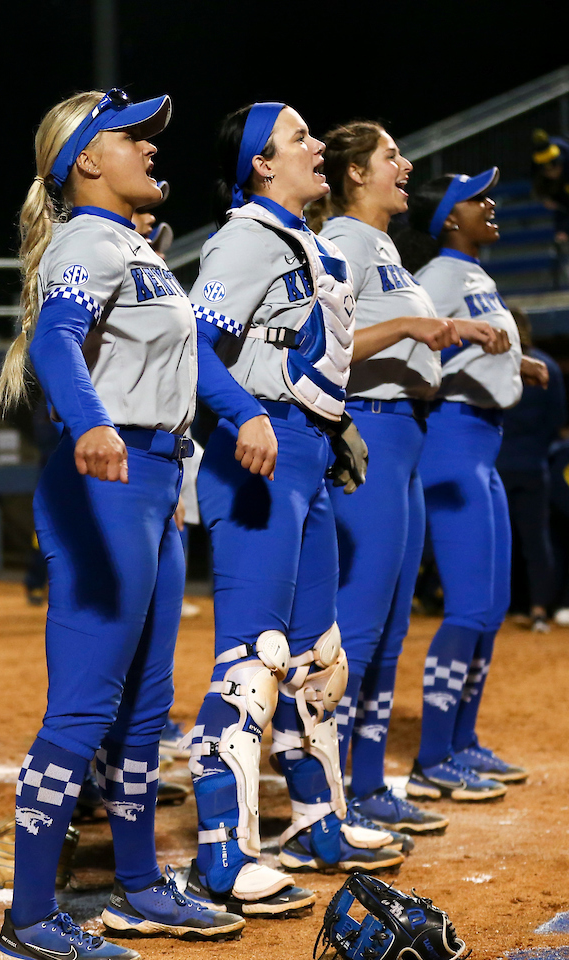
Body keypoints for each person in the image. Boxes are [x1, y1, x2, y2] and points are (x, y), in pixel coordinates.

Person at [0, 87, 245, 960]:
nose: (150, 147)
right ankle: (28, 921)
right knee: (84, 707)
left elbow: (182, 359)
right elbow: (54, 340)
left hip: (154, 482)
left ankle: (139, 887)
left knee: (144, 708)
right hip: (107, 479)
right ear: (87, 161)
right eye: (131, 137)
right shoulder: (86, 242)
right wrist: (91, 422)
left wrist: (242, 411)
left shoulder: (130, 247)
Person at [180, 102, 405, 919]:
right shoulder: (245, 238)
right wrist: (245, 415)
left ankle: (316, 822)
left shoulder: (298, 240)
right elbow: (193, 345)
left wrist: (333, 425)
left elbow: (297, 351)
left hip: (301, 450)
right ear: (262, 164)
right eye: (298, 138)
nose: (315, 146)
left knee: (316, 658)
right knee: (253, 659)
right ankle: (220, 852)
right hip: (259, 458)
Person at [315, 121, 505, 838]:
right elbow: (321, 346)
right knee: (361, 627)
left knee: (391, 628)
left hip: (406, 434)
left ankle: (367, 785)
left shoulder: (383, 246)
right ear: (356, 173)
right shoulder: (338, 241)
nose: (407, 165)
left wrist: (445, 336)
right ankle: (325, 798)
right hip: (370, 429)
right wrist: (408, 330)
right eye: (392, 156)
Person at [396, 168, 548, 800]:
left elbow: (467, 348)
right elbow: (415, 358)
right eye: (475, 198)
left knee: (490, 608)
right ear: (448, 219)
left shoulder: (472, 274)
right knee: (466, 608)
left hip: (483, 441)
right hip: (452, 441)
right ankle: (434, 756)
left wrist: (515, 361)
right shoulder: (437, 277)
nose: (490, 204)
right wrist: (471, 351)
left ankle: (462, 741)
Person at [499, 308, 565, 632]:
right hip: (534, 465)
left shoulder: (497, 363)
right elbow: (557, 420)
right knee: (536, 541)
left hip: (497, 465)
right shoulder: (548, 366)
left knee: (499, 541)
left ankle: (499, 609)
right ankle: (539, 610)